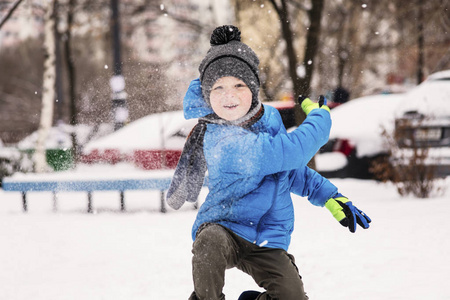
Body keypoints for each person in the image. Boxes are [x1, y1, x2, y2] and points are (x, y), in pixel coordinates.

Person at [167, 25, 371, 300]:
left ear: (253, 88)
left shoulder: (269, 118)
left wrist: (330, 197)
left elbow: (288, 170)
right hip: (226, 229)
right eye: (218, 88)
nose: (230, 96)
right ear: (207, 95)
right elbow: (290, 152)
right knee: (209, 240)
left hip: (268, 238)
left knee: (292, 297)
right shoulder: (221, 139)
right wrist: (320, 119)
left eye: (239, 85)